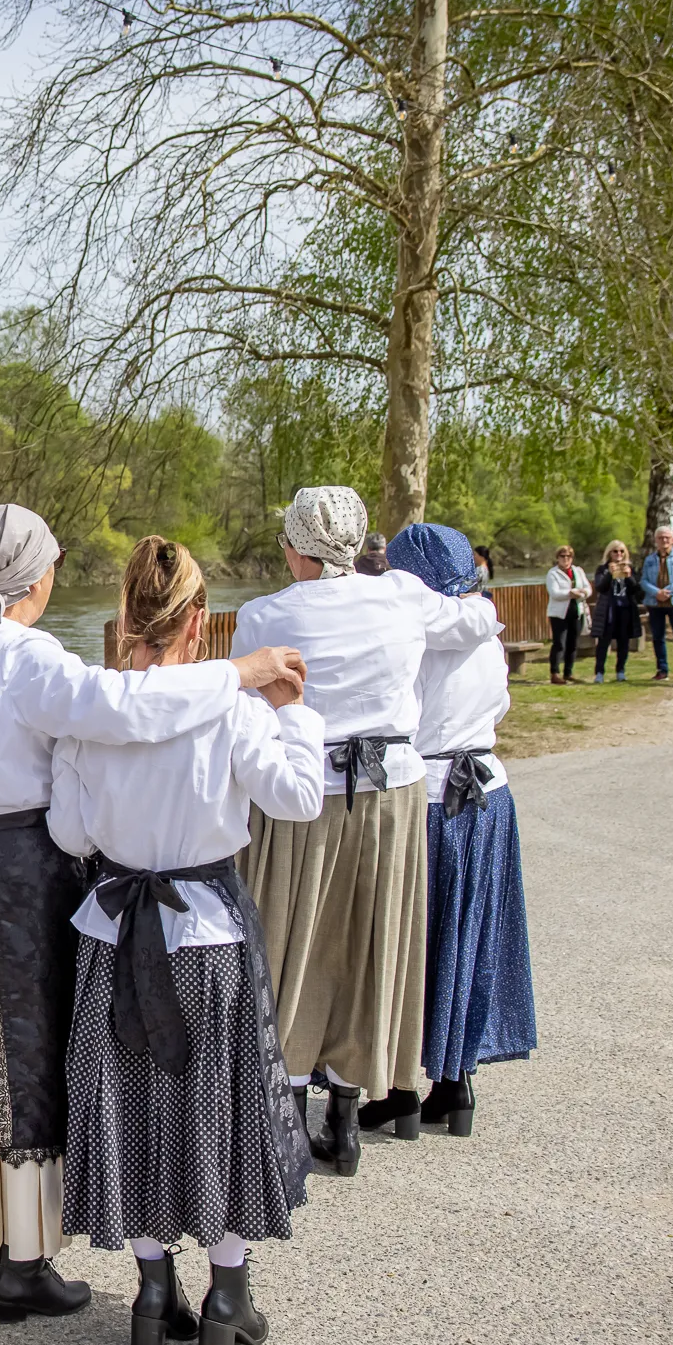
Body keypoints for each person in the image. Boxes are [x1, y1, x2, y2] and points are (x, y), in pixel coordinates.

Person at [0, 502, 306, 1327]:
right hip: (6, 875)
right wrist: (242, 673)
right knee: (20, 1063)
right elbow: (126, 708)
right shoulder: (23, 654)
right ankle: (21, 1260)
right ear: (29, 580)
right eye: (49, 566)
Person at [48, 537, 323, 1345]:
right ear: (198, 619)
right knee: (220, 1101)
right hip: (204, 930)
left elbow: (69, 831)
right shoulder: (235, 708)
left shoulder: (93, 715)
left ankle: (152, 1286)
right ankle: (227, 1291)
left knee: (126, 1103)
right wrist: (294, 712)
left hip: (114, 926)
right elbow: (299, 797)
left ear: (127, 613)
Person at [233, 486, 501, 1176]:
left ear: (295, 545)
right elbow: (474, 623)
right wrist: (476, 595)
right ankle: (345, 1117)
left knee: (292, 943)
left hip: (304, 790)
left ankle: (286, 1112)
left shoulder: (267, 613)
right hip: (394, 791)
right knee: (369, 941)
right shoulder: (404, 596)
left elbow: (246, 711)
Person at [384, 523, 537, 1138]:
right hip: (488, 791)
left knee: (415, 936)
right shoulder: (488, 629)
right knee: (469, 932)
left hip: (428, 795)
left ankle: (399, 1084)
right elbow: (498, 708)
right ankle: (458, 1082)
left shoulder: (407, 640)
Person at [640, 526, 673, 684]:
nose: (664, 540)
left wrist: (667, 592)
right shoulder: (650, 559)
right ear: (656, 540)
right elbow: (643, 580)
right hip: (655, 603)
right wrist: (656, 592)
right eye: (661, 538)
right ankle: (662, 670)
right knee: (658, 637)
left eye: (667, 537)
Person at [587, 540, 643, 683]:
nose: (619, 554)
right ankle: (599, 672)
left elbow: (637, 590)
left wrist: (629, 576)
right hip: (608, 610)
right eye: (615, 551)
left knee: (623, 641)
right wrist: (609, 574)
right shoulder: (603, 569)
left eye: (621, 551)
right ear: (609, 553)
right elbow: (600, 587)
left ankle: (620, 671)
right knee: (603, 642)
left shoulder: (630, 568)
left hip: (625, 609)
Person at [544, 545, 589, 684]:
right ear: (557, 558)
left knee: (573, 643)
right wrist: (570, 593)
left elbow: (588, 588)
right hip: (559, 614)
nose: (565, 559)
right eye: (562, 556)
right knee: (559, 643)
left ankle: (568, 672)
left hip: (576, 611)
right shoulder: (553, 573)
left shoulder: (578, 571)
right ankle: (555, 673)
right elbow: (554, 593)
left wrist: (583, 592)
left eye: (568, 556)